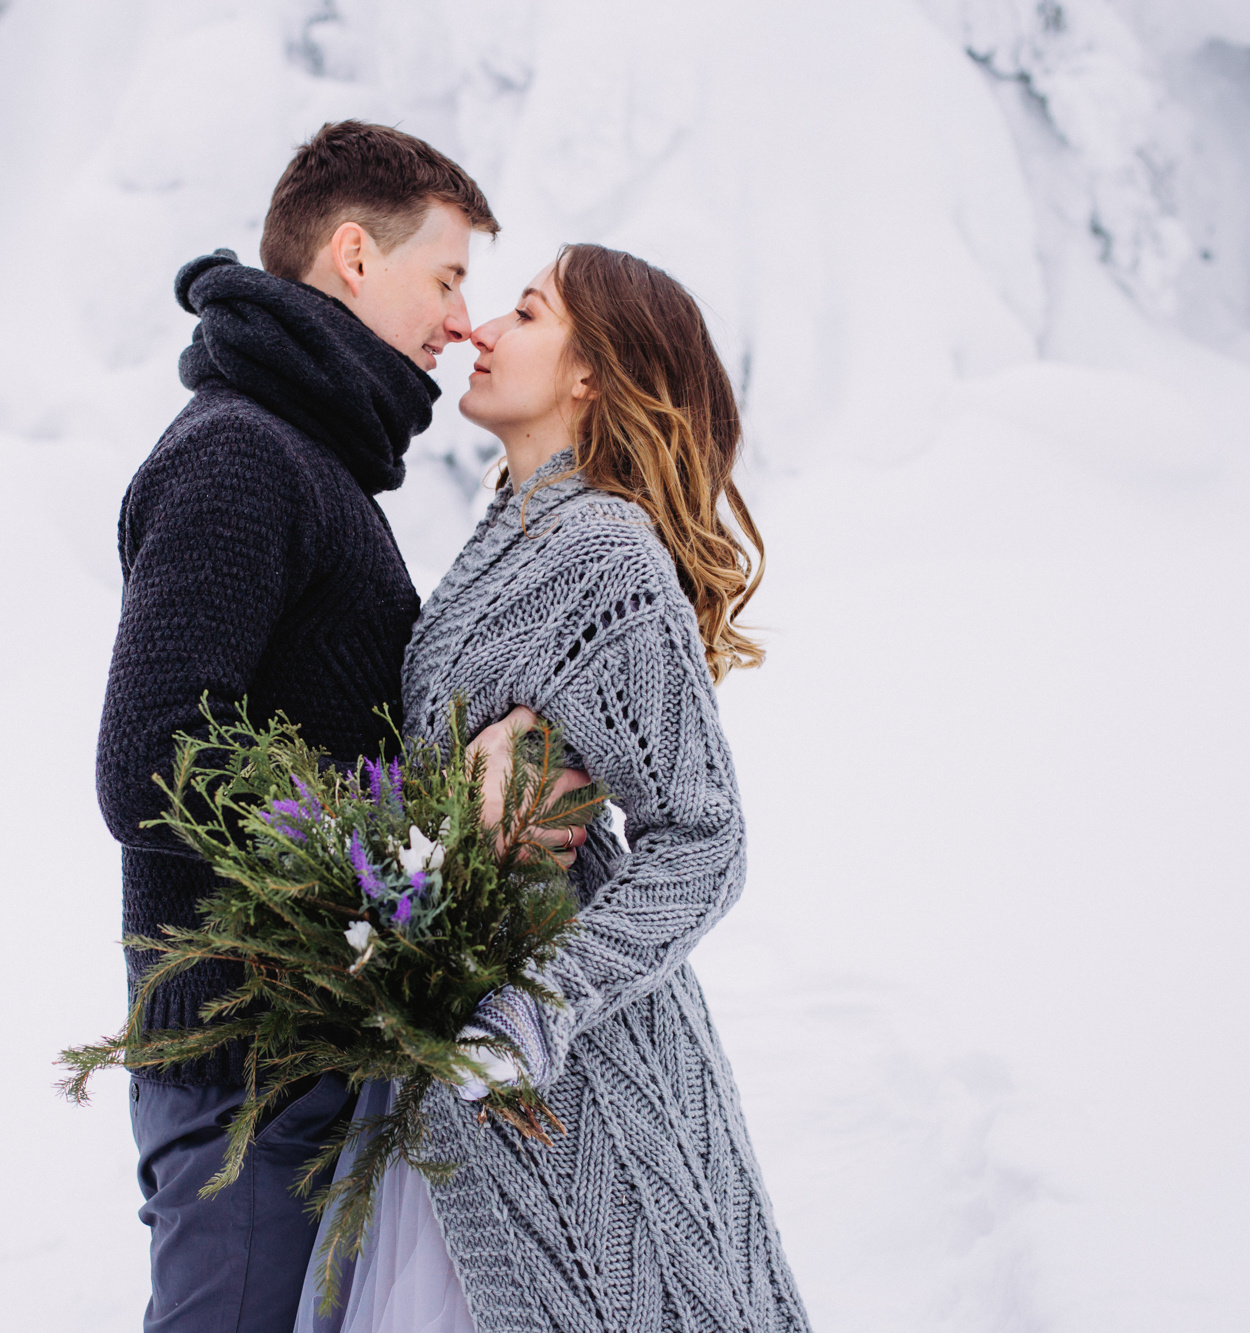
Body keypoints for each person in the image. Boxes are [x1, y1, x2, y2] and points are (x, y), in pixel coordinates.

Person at [94, 121, 586, 1333]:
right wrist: (419, 820)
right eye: (448, 277)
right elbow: (149, 756)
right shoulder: (239, 456)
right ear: (355, 256)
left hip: (301, 1053)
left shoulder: (307, 462)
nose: (461, 321)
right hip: (243, 1068)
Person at [295, 245, 810, 1332]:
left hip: (574, 1079)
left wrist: (542, 1001)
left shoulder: (605, 555)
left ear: (589, 373)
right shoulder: (519, 528)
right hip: (466, 1066)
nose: (480, 329)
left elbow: (704, 837)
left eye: (525, 314)